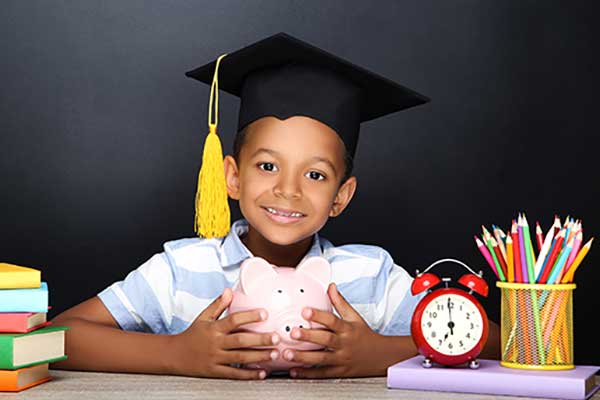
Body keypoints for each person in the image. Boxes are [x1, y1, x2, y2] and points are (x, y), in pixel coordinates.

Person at [51, 32, 500, 380]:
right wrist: (175, 354)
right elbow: (56, 338)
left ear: (342, 195)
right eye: (267, 166)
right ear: (231, 176)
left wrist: (377, 353)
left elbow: (496, 341)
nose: (288, 190)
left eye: (316, 174)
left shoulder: (370, 276)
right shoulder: (181, 269)